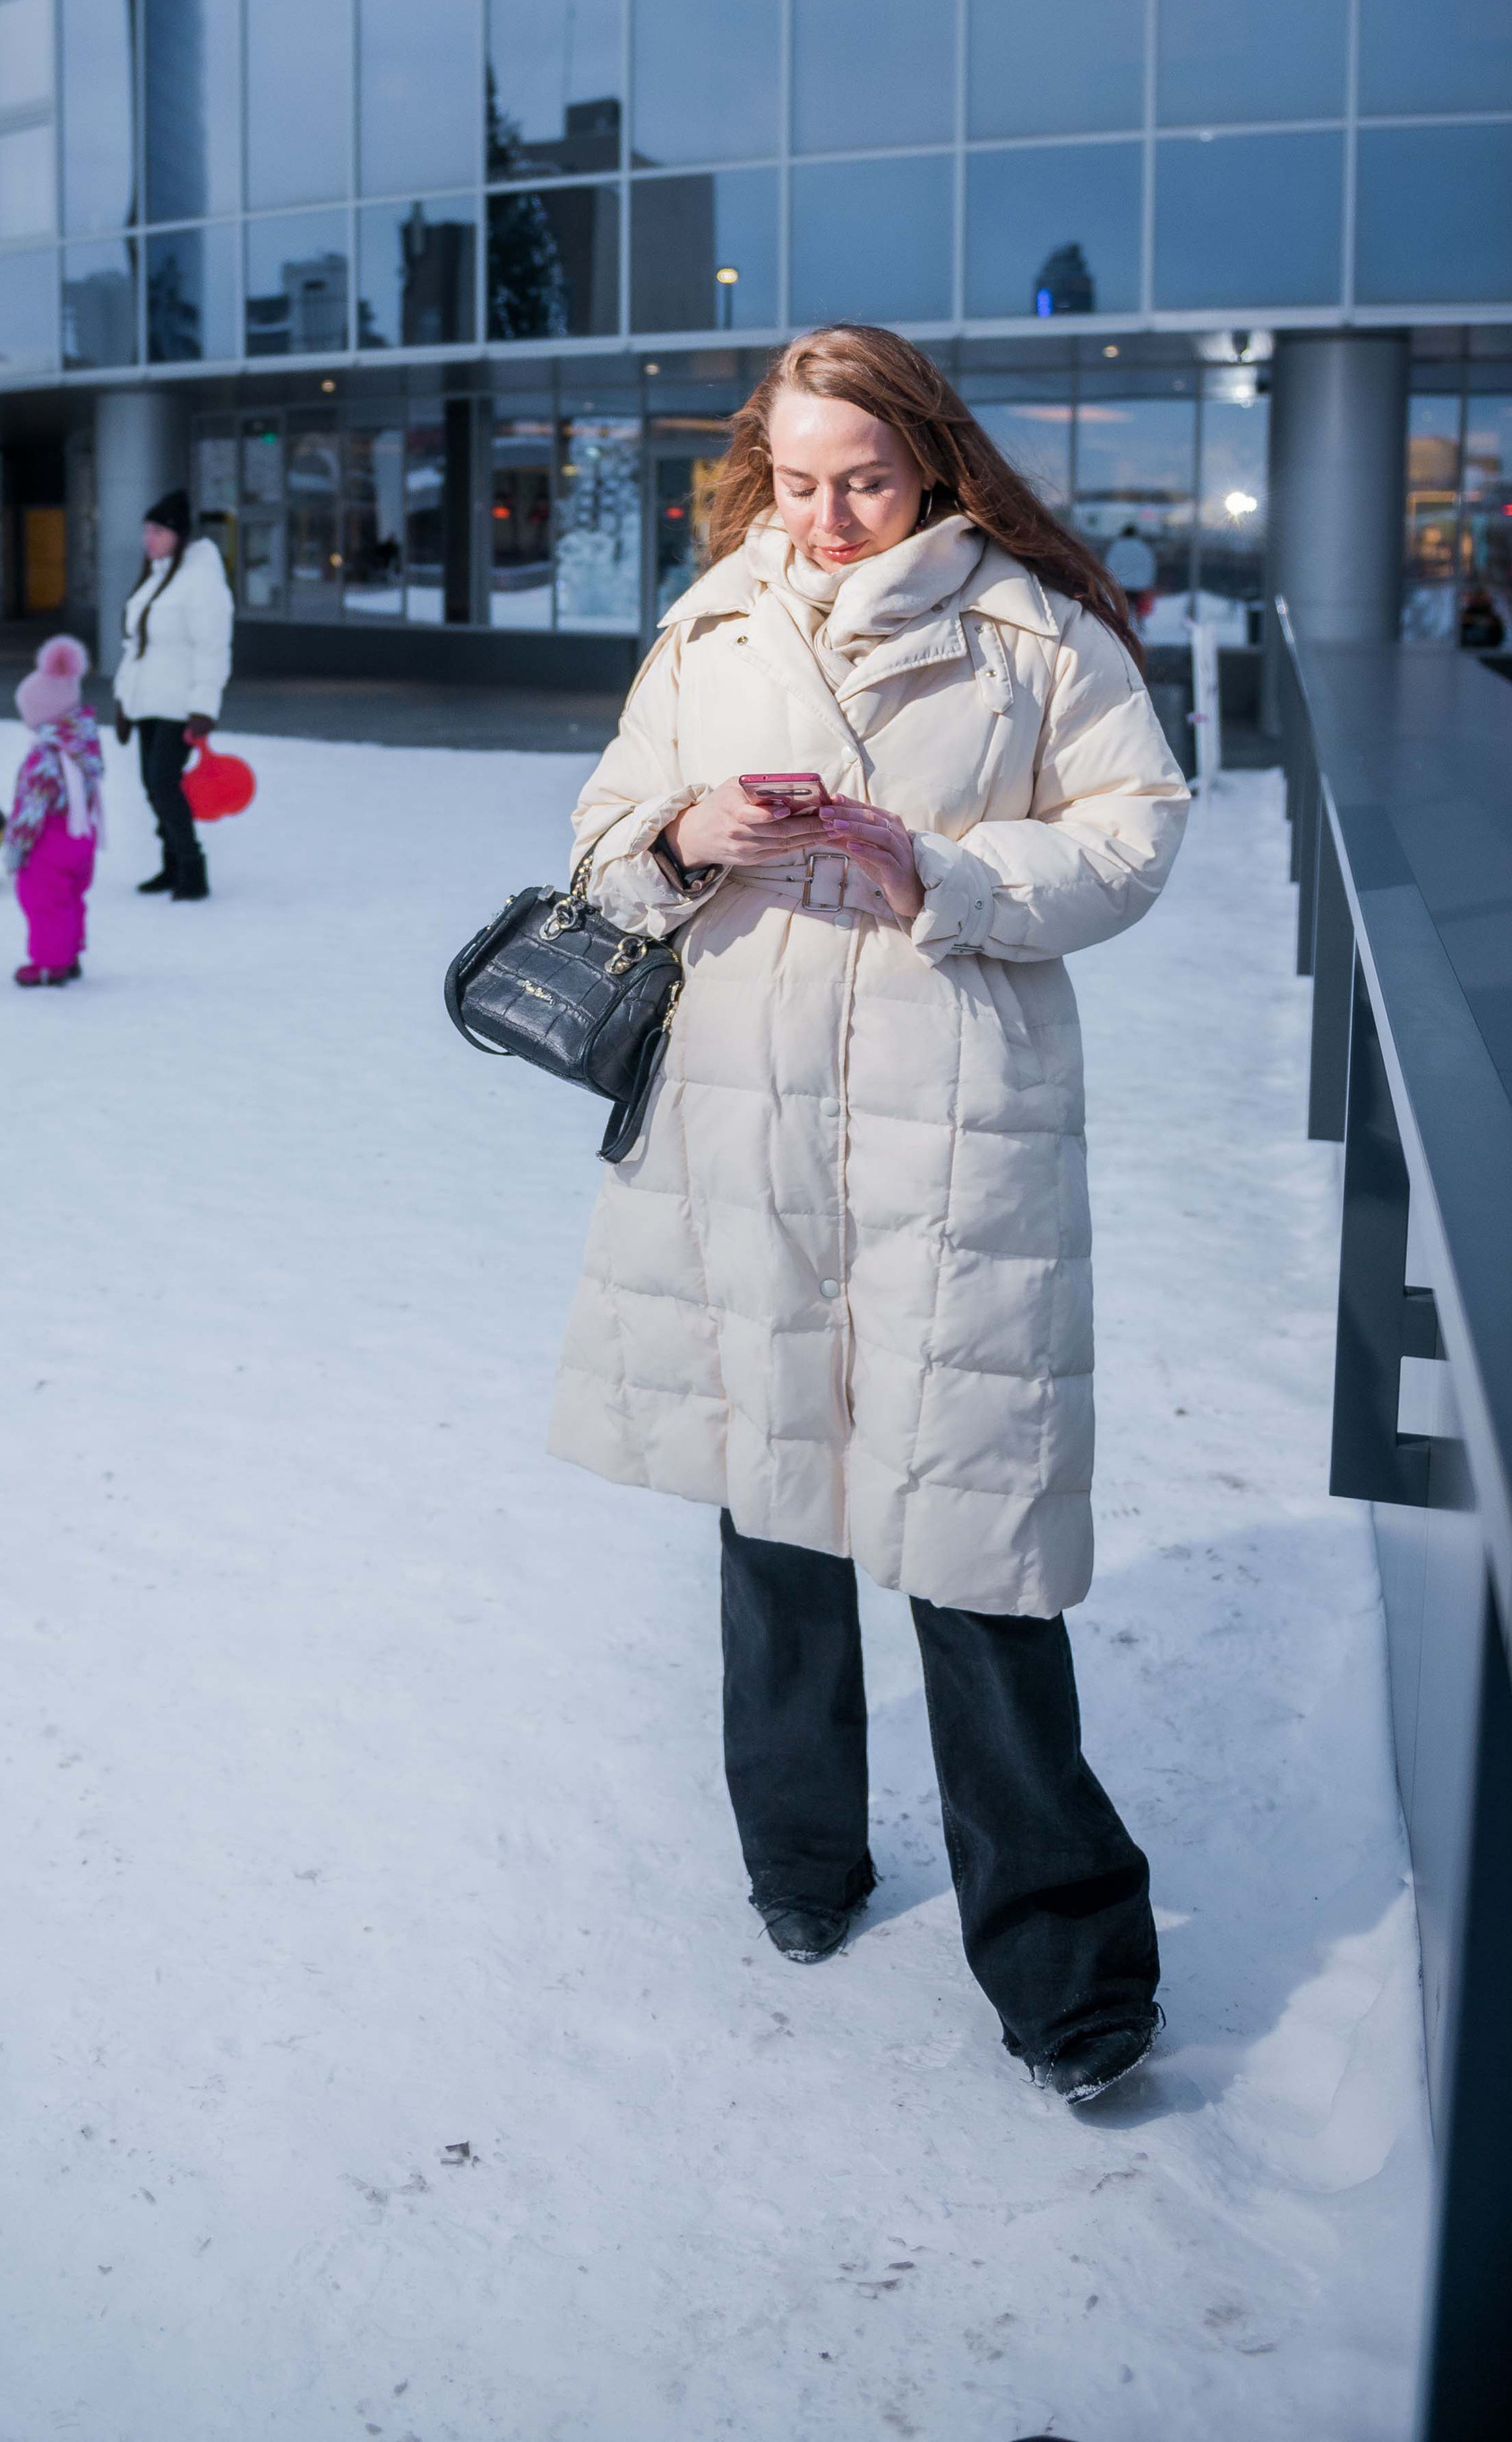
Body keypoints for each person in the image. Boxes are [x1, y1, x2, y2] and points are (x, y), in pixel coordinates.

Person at [552, 323, 1190, 2108]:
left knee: (970, 1539)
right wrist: (685, 833)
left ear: (932, 461)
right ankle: (800, 1863)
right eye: (798, 477)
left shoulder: (1032, 631)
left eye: (865, 479)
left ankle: (1068, 1977)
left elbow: (1136, 830)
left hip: (947, 1128)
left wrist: (952, 873)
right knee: (775, 1508)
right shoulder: (711, 623)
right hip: (744, 1122)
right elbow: (598, 837)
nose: (826, 516)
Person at [112, 489, 233, 902]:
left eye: (158, 530)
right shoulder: (157, 575)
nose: (149, 537)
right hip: (148, 701)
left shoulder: (200, 578)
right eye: (147, 529)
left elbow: (213, 647)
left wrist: (203, 707)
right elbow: (136, 646)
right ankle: (170, 865)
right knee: (153, 785)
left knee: (164, 784)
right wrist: (124, 702)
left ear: (178, 535)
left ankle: (192, 868)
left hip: (180, 704)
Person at [5, 634, 103, 988]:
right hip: (82, 837)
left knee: (42, 902)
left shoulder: (43, 759)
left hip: (49, 842)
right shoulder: (84, 744)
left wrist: (16, 846)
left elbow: (30, 810)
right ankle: (70, 952)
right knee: (70, 898)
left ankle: (49, 964)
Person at [1103, 520, 1158, 623]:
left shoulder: (1116, 547)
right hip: (1140, 585)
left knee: (1123, 610)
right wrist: (1148, 582)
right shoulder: (1143, 548)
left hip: (1122, 584)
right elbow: (1149, 565)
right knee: (1138, 609)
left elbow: (1110, 566)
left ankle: (1124, 626)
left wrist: (1110, 583)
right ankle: (1139, 625)